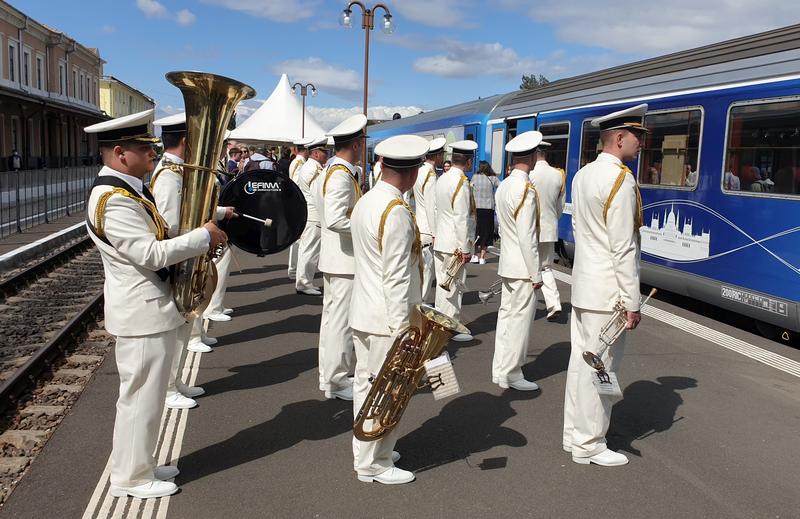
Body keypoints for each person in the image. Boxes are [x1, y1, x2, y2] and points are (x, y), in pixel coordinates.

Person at [84, 109, 227, 499]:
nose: (153, 154)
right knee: (140, 401)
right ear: (119, 153)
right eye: (144, 148)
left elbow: (158, 233)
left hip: (147, 310)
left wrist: (203, 232)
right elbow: (149, 253)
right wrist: (201, 238)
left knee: (145, 398)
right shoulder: (114, 199)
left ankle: (139, 464)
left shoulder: (127, 190)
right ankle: (130, 478)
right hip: (142, 313)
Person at [564, 103, 648, 467]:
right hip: (608, 294)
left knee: (579, 365)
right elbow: (623, 246)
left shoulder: (583, 174)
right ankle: (590, 444)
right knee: (602, 367)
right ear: (618, 138)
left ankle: (574, 435)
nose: (642, 143)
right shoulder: (620, 180)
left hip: (584, 287)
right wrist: (632, 301)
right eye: (637, 136)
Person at [350, 134, 429, 485]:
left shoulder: (367, 201)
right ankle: (375, 462)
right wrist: (406, 332)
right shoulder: (395, 212)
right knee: (387, 391)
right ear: (412, 174)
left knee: (365, 386)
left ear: (381, 166)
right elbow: (396, 278)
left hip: (364, 310)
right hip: (386, 318)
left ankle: (367, 450)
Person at [151, 112, 228, 410]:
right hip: (178, 261)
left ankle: (176, 381)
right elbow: (170, 227)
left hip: (187, 255)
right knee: (175, 328)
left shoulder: (179, 172)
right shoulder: (170, 177)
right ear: (186, 140)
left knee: (183, 326)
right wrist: (202, 237)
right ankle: (168, 387)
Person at [312, 114, 368, 401]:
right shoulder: (341, 175)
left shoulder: (332, 171)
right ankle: (335, 379)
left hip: (337, 258)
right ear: (357, 144)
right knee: (341, 323)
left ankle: (330, 376)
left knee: (333, 321)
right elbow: (335, 219)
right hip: (343, 259)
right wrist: (365, 228)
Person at [492, 131, 543, 391]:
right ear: (533, 157)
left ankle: (500, 369)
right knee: (520, 322)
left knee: (506, 317)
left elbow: (504, 229)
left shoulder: (505, 185)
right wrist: (536, 274)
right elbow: (528, 237)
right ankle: (512, 373)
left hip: (508, 262)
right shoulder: (526, 189)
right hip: (523, 266)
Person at [433, 140, 477, 342]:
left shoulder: (442, 178)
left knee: (443, 286)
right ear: (469, 162)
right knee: (454, 287)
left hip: (441, 240)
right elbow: (461, 217)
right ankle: (452, 327)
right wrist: (465, 247)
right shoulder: (461, 182)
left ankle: (440, 323)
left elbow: (436, 209)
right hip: (454, 244)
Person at [529, 140, 565, 321]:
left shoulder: (530, 174)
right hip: (550, 228)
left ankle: (528, 306)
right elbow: (561, 206)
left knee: (528, 268)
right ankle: (554, 304)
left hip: (531, 228)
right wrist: (551, 221)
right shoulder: (558, 175)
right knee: (546, 267)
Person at [413, 137, 446, 304]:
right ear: (438, 156)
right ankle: (422, 306)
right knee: (427, 273)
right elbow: (432, 206)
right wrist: (435, 233)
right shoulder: (431, 176)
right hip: (427, 229)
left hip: (418, 224)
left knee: (419, 271)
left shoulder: (418, 171)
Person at [295, 136, 328, 296]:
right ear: (315, 153)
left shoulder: (312, 167)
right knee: (310, 250)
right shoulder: (314, 169)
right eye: (324, 151)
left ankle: (304, 282)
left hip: (310, 214)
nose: (326, 154)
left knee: (307, 249)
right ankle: (304, 283)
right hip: (314, 214)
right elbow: (318, 194)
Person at [470, 160, 500, 264]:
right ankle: (482, 258)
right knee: (486, 232)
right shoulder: (493, 178)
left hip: (477, 208)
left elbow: (470, 188)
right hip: (488, 208)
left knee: (476, 231)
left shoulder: (475, 177)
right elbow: (500, 188)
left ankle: (474, 255)